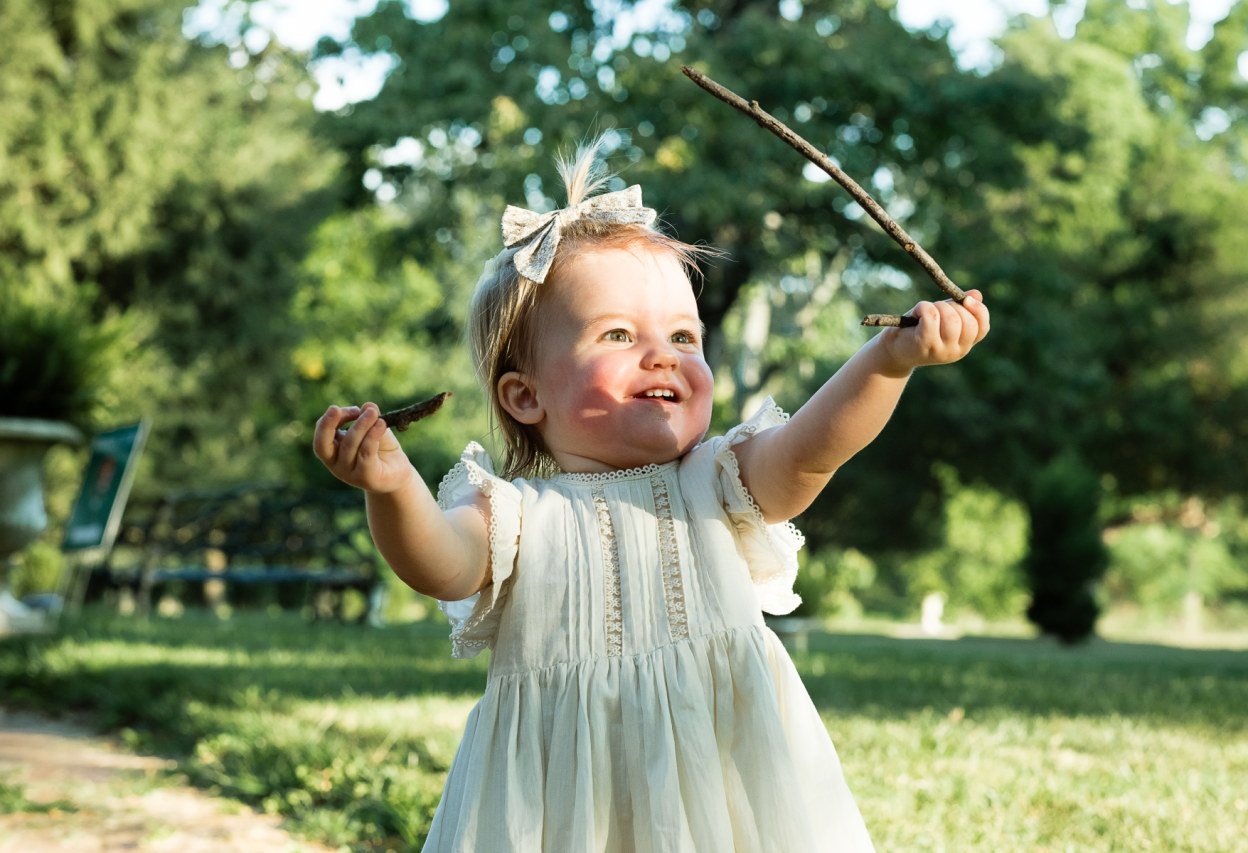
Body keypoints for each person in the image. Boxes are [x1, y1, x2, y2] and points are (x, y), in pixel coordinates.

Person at [313, 137, 989, 852]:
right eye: (617, 334)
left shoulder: (716, 479)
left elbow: (813, 448)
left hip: (719, 786)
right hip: (563, 807)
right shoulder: (514, 513)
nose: (663, 354)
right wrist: (391, 486)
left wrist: (889, 362)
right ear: (525, 394)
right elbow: (441, 563)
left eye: (683, 336)